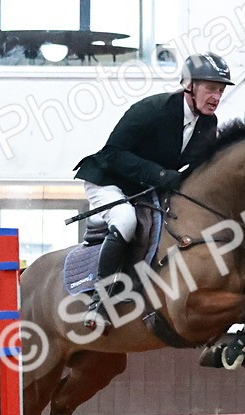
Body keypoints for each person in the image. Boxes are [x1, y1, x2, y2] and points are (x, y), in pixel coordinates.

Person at [72, 52, 234, 330]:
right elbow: (112, 153)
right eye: (210, 88)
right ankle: (99, 303)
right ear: (189, 85)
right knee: (126, 220)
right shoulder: (153, 109)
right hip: (109, 180)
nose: (216, 97)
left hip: (145, 188)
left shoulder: (208, 123)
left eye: (220, 91)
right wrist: (159, 175)